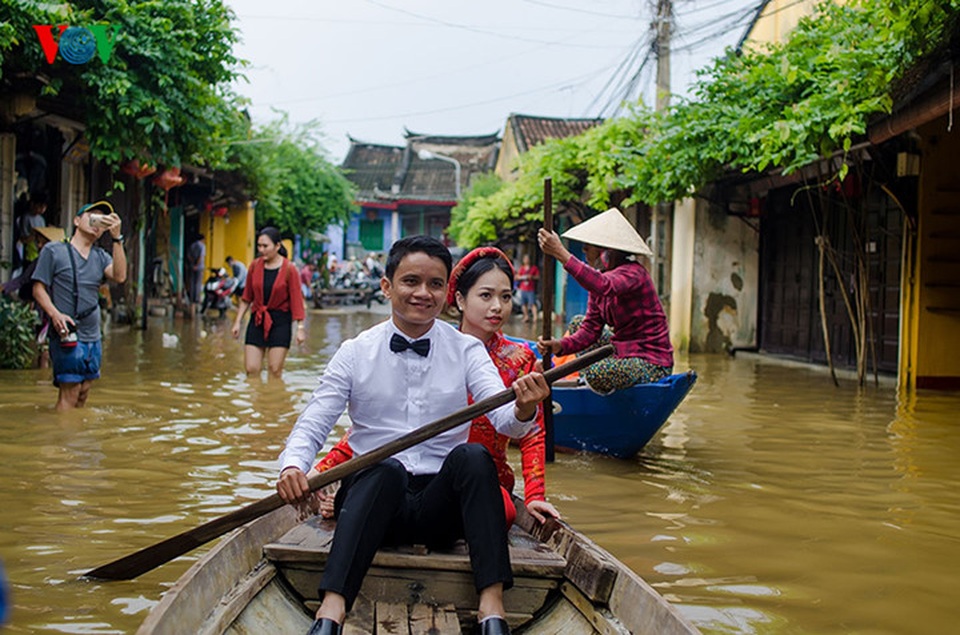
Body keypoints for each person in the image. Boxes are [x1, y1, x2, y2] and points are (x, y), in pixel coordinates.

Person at [276, 236, 550, 635]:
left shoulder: (467, 351)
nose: (423, 293)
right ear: (387, 287)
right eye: (411, 282)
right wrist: (293, 466)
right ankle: (330, 612)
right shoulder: (355, 351)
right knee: (383, 469)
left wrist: (524, 406)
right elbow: (315, 421)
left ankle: (492, 609)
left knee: (473, 457)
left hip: (443, 511)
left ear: (447, 293)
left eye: (435, 284)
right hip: (375, 505)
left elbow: (505, 417)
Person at [310, 246, 561, 526]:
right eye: (486, 296)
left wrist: (535, 495)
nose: (497, 307)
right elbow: (376, 426)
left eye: (505, 297)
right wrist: (322, 471)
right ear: (460, 300)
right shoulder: (426, 345)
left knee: (502, 510)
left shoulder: (521, 358)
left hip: (483, 477)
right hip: (416, 476)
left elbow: (532, 432)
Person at [537, 207, 673, 394]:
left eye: (588, 247)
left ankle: (591, 381)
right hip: (622, 351)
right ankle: (595, 381)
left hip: (650, 361)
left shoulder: (634, 273)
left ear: (606, 251)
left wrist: (560, 253)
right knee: (578, 322)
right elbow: (590, 331)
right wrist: (561, 346)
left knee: (596, 374)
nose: (584, 250)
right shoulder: (600, 279)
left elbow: (605, 285)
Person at [31, 200, 127, 411]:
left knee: (83, 392)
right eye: (92, 216)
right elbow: (38, 289)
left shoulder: (101, 257)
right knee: (70, 391)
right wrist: (55, 315)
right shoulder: (54, 251)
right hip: (67, 333)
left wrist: (117, 238)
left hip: (93, 336)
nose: (96, 222)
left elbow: (120, 276)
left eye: (101, 220)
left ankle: (75, 438)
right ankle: (62, 440)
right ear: (76, 220)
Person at [231, 227, 306, 378]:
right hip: (257, 320)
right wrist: (238, 322)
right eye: (259, 246)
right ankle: (256, 400)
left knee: (274, 370)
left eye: (265, 246)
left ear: (277, 246)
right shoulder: (254, 266)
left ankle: (273, 401)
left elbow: (297, 300)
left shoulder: (289, 269)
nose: (261, 250)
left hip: (280, 322)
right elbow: (247, 297)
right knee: (251, 369)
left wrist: (300, 327)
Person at [516, 254, 539, 323]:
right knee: (523, 304)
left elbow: (538, 277)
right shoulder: (522, 268)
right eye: (525, 259)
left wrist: (531, 277)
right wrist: (522, 277)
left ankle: (535, 318)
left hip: (530, 289)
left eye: (527, 259)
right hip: (523, 289)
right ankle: (526, 317)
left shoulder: (534, 268)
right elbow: (517, 277)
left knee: (532, 303)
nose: (526, 260)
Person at [186, 233, 206, 306]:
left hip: (191, 266)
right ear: (202, 239)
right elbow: (201, 257)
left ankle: (191, 298)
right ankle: (196, 299)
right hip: (199, 267)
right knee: (198, 283)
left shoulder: (192, 245)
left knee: (192, 282)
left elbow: (188, 256)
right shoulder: (202, 246)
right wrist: (197, 265)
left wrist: (192, 263)